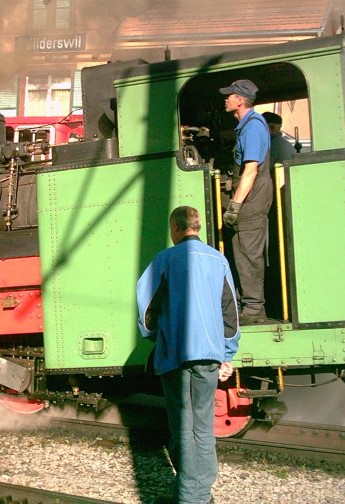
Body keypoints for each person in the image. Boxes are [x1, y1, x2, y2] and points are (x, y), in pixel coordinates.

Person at [137, 206, 240, 504]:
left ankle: (188, 498)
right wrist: (226, 353)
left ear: (175, 228)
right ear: (197, 227)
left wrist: (160, 336)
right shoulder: (218, 260)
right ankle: (201, 493)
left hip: (176, 357)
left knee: (183, 429)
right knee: (203, 429)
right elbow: (230, 314)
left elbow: (147, 315)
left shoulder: (165, 260)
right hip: (208, 356)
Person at [221, 80, 272, 324]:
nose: (226, 99)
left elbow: (250, 169)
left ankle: (254, 309)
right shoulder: (248, 126)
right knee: (242, 252)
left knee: (249, 254)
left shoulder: (253, 127)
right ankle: (247, 306)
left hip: (251, 201)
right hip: (251, 200)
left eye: (229, 96)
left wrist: (235, 206)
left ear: (240, 100)